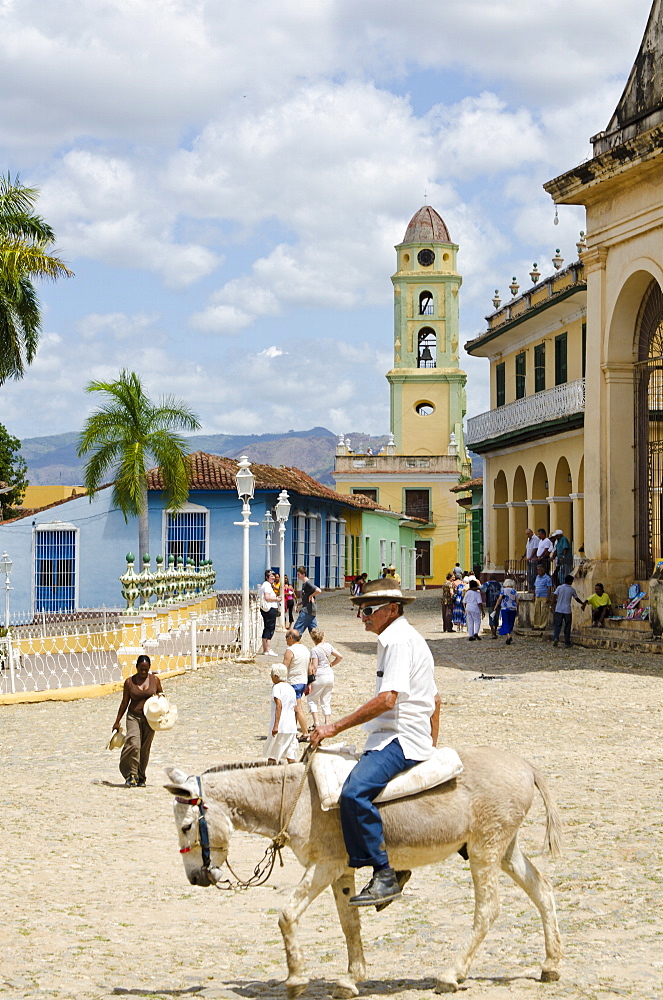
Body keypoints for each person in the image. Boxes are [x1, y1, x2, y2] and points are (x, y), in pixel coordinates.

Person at [310, 578, 440, 907]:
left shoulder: (397, 640)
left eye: (368, 610)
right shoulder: (396, 638)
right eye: (360, 610)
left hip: (401, 736)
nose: (361, 617)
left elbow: (386, 701)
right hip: (400, 734)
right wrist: (432, 743)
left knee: (353, 793)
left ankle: (384, 874)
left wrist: (333, 728)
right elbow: (435, 700)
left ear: (391, 610)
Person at [113, 654, 163, 787]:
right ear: (136, 667)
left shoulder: (155, 680)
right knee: (133, 744)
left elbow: (161, 696)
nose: (143, 672)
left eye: (146, 669)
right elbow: (124, 702)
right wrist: (117, 721)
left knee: (144, 748)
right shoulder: (130, 682)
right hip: (133, 716)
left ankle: (141, 777)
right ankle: (131, 774)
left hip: (150, 719)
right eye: (141, 669)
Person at [307, 628, 342, 727]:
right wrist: (331, 664)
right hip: (329, 675)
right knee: (326, 700)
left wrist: (309, 681)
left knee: (312, 699)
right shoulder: (328, 646)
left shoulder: (314, 650)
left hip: (319, 676)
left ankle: (316, 723)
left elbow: (314, 666)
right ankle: (327, 722)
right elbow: (340, 656)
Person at [264, 664, 298, 763]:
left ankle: (270, 775)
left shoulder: (277, 687)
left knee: (272, 753)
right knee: (290, 754)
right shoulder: (291, 688)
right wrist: (295, 727)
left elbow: (279, 705)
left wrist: (275, 726)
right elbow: (295, 709)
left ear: (276, 676)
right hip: (290, 727)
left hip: (281, 726)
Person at [282, 628, 311, 738]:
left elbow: (284, 667)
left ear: (290, 638)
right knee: (294, 708)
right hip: (303, 681)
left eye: (286, 638)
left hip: (294, 682)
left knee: (297, 708)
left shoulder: (290, 650)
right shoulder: (305, 649)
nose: (285, 641)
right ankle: (292, 731)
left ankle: (305, 732)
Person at [551, 574, 585, 647]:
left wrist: (551, 606)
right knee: (567, 626)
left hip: (558, 609)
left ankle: (556, 638)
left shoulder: (559, 588)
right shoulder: (571, 590)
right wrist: (582, 603)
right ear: (570, 582)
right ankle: (567, 642)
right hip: (567, 610)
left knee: (557, 625)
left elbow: (554, 597)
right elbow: (576, 598)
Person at [293, 566, 321, 635]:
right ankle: (320, 644)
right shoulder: (304, 584)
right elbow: (306, 598)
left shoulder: (308, 583)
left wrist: (311, 596)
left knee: (296, 631)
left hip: (307, 610)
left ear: (303, 574)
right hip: (310, 610)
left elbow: (318, 590)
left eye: (299, 574)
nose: (298, 576)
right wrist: (298, 604)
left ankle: (294, 643)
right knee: (314, 633)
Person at [259, 569, 279, 656]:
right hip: (269, 608)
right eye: (271, 576)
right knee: (270, 628)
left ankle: (266, 649)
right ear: (267, 577)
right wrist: (277, 599)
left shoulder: (266, 585)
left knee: (267, 628)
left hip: (267, 609)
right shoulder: (267, 585)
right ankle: (267, 649)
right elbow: (267, 597)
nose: (273, 578)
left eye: (273, 576)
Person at [493, 577, 519, 645]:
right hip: (513, 608)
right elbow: (517, 601)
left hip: (505, 608)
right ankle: (508, 635)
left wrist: (495, 606)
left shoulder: (503, 590)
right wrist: (517, 609)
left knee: (505, 622)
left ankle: (508, 635)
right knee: (511, 622)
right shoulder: (514, 591)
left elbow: (499, 599)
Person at [532, 563, 553, 631]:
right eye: (538, 570)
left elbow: (549, 588)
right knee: (537, 611)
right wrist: (534, 595)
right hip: (537, 595)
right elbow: (535, 586)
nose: (538, 571)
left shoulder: (547, 578)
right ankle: (536, 625)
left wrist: (548, 597)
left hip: (544, 596)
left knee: (544, 611)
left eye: (540, 570)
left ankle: (542, 625)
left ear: (543, 570)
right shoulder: (537, 577)